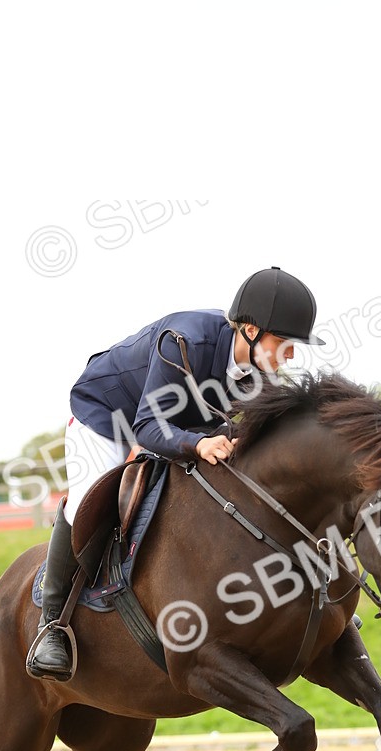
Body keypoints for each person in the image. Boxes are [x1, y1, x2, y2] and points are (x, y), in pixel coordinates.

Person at [26, 267, 325, 681]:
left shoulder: (259, 372)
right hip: (108, 416)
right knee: (85, 503)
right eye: (286, 343)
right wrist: (198, 444)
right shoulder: (184, 343)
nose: (290, 355)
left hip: (177, 422)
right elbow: (147, 427)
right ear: (252, 330)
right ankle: (52, 625)